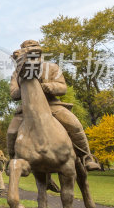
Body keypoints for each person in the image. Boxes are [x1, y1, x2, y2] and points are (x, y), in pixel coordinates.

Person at [6, 40, 101, 171]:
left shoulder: (52, 67)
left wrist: (47, 87)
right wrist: (26, 85)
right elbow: (13, 94)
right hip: (27, 110)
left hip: (52, 105)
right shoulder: (17, 73)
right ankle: (13, 160)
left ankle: (87, 157)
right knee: (11, 132)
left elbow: (63, 88)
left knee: (74, 124)